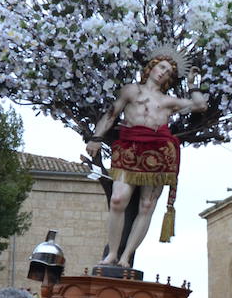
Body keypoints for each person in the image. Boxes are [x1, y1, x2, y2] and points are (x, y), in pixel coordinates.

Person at [84, 46, 209, 267]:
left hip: (158, 153)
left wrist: (192, 84)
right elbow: (112, 114)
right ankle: (112, 253)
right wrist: (96, 137)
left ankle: (125, 258)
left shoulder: (169, 100)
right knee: (118, 199)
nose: (163, 73)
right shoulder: (131, 91)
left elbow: (200, 105)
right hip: (129, 147)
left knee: (146, 206)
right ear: (151, 67)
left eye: (169, 72)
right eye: (161, 67)